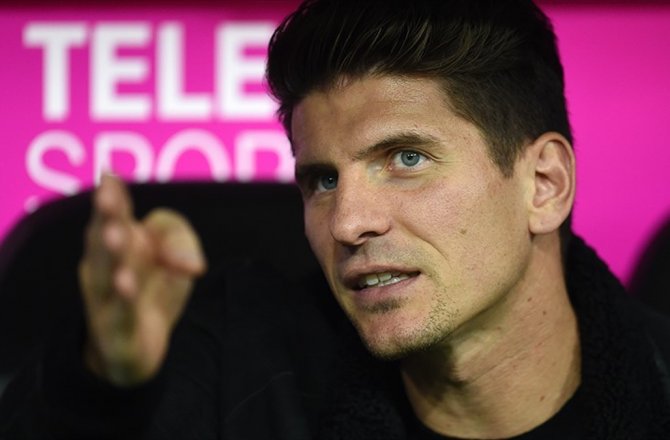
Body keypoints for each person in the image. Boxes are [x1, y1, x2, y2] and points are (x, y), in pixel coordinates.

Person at [2, 0, 670, 438]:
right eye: (322, 180)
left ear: (544, 185)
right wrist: (104, 383)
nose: (347, 223)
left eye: (406, 158)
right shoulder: (235, 353)